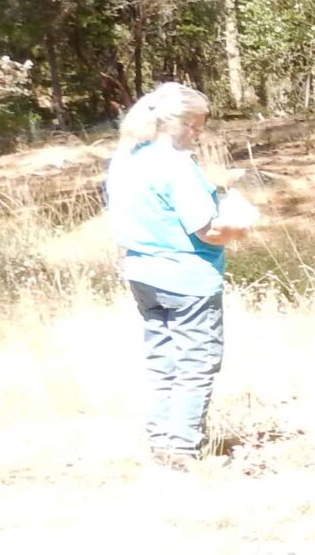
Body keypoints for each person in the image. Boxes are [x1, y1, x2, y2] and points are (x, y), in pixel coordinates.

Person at [103, 81, 244, 463]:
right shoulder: (175, 165)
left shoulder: (126, 158)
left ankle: (161, 440)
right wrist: (240, 226)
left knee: (162, 358)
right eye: (195, 126)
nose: (198, 134)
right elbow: (208, 230)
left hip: (142, 272)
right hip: (187, 276)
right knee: (196, 361)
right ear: (175, 123)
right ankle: (183, 448)